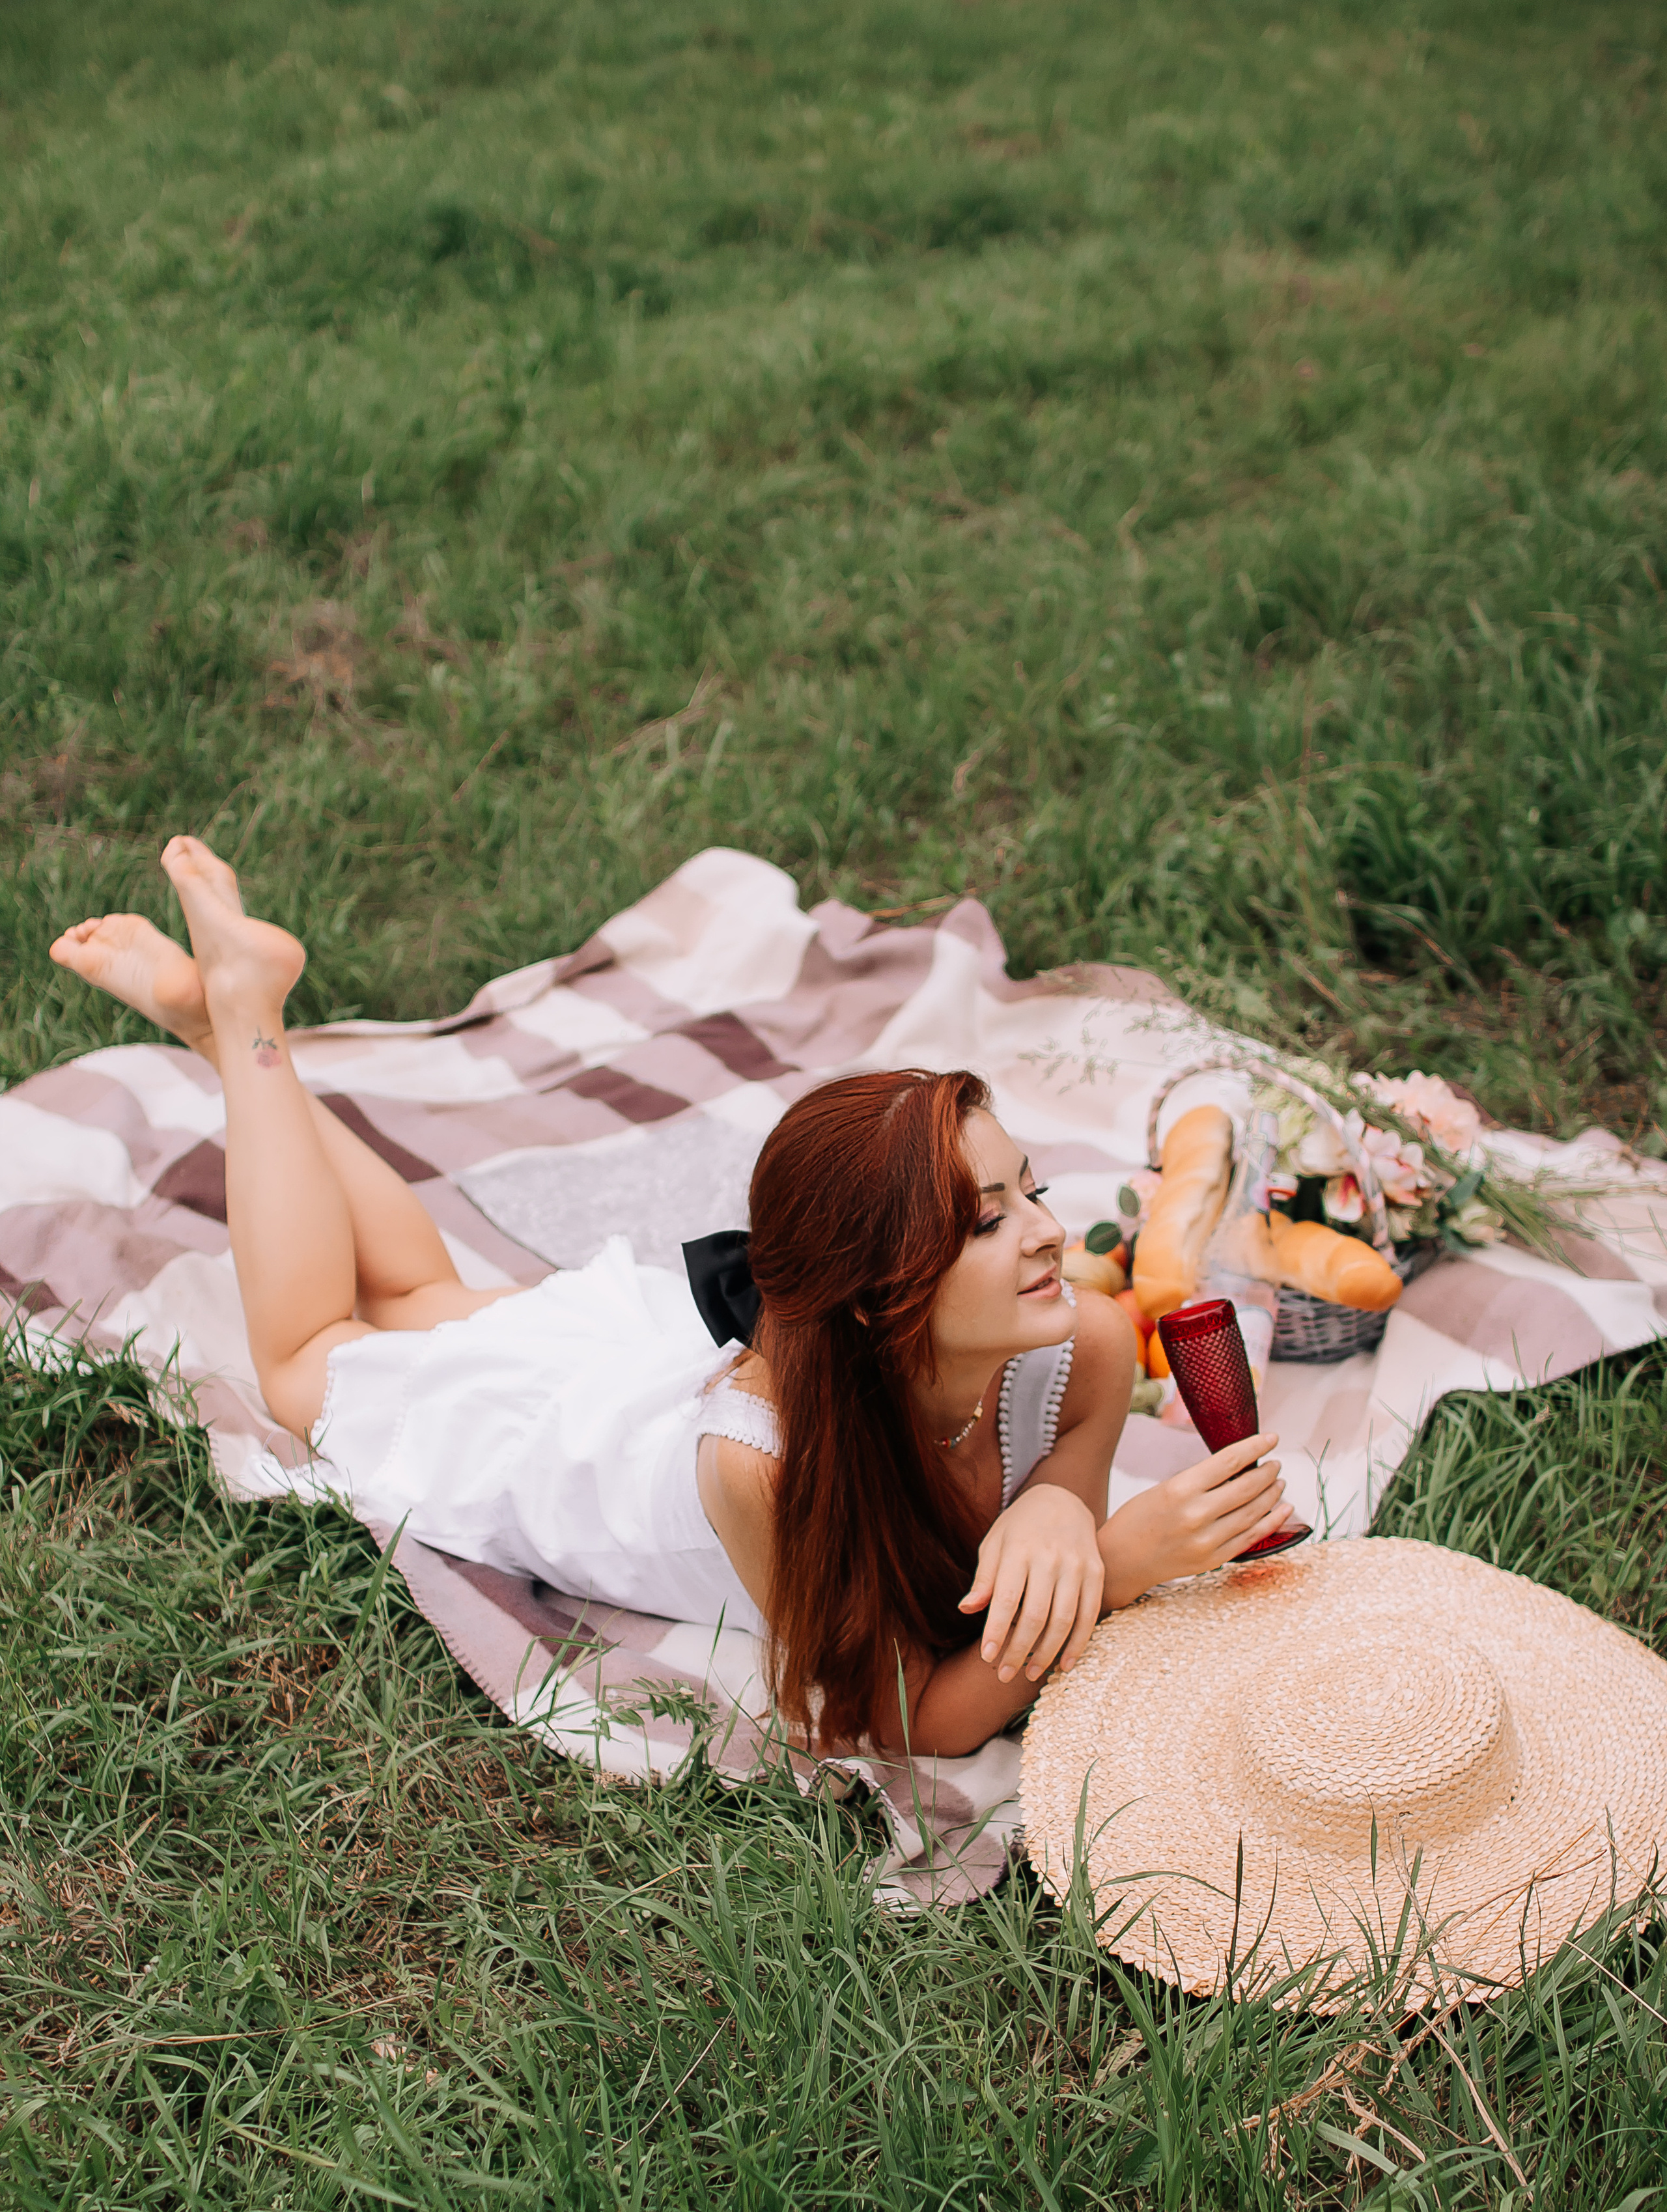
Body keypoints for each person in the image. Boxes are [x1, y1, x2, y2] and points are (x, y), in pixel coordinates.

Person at [51, 837, 1296, 1757]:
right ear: (875, 1299)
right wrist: (1116, 1567)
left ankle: (224, 1026)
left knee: (429, 1289)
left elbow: (1060, 1499)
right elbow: (902, 1718)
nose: (1049, 1232)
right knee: (312, 1359)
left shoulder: (1083, 1345)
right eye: (987, 1219)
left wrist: (1068, 1516)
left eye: (1032, 1189)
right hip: (590, 1452)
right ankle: (247, 1027)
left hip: (646, 1349)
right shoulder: (761, 1462)